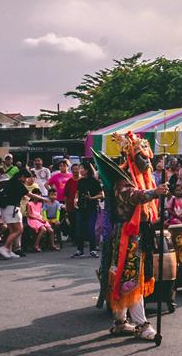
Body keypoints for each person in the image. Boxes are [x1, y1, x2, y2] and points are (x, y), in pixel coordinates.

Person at [102, 132, 169, 342]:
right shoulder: (122, 179)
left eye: (148, 157)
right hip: (126, 237)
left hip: (139, 234)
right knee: (131, 278)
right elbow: (135, 196)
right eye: (142, 157)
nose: (148, 161)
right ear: (131, 157)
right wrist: (154, 192)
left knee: (126, 277)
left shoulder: (140, 178)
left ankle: (120, 321)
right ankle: (141, 324)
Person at [0, 172, 43, 259]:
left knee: (12, 231)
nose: (27, 180)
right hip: (13, 209)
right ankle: (4, 247)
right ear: (22, 177)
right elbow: (29, 194)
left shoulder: (9, 186)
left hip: (7, 209)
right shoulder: (18, 184)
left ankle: (9, 250)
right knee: (19, 230)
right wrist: (44, 199)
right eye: (26, 178)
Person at [72, 162, 103, 258]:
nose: (80, 170)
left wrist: (92, 198)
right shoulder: (81, 181)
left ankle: (92, 250)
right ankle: (79, 250)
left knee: (90, 229)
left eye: (82, 168)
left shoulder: (94, 181)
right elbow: (77, 192)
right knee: (79, 229)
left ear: (87, 170)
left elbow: (101, 195)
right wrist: (75, 199)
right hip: (81, 207)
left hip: (91, 208)